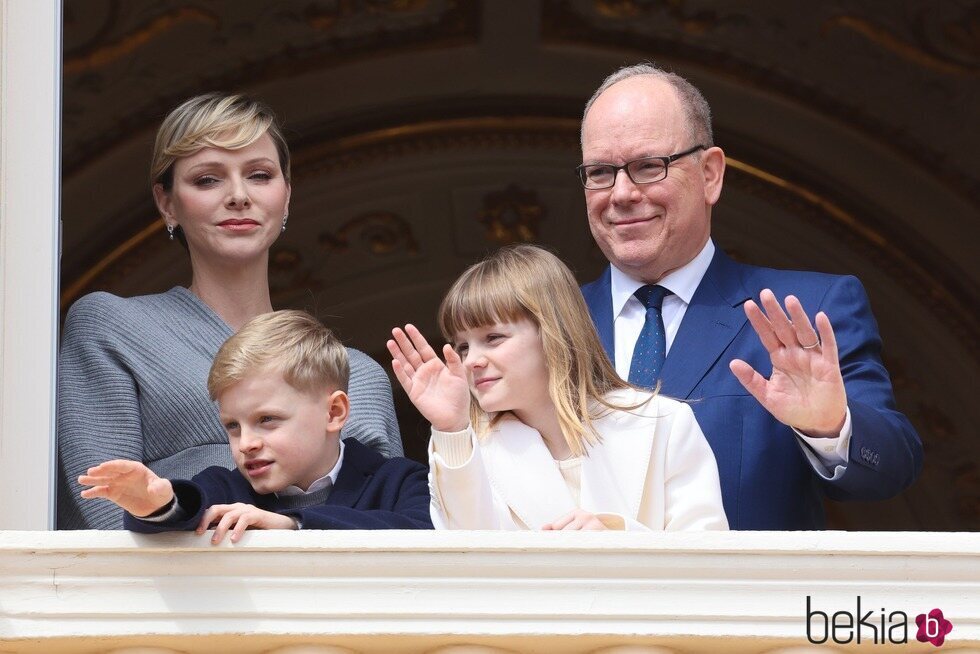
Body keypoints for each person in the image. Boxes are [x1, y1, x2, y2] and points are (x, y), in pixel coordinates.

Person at [577, 63, 923, 529]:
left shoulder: (802, 311)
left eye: (647, 167)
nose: (620, 193)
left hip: (737, 600)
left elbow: (892, 468)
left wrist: (830, 426)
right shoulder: (541, 325)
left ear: (710, 175)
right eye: (600, 172)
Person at [59, 93, 403, 530]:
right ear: (167, 203)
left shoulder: (359, 376)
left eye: (260, 175)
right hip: (167, 593)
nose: (239, 196)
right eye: (207, 180)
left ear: (287, 196)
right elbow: (108, 511)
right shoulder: (112, 328)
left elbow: (392, 537)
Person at [387, 244, 728, 531]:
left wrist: (619, 540)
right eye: (463, 347)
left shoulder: (665, 423)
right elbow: (468, 557)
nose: (472, 360)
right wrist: (452, 430)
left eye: (493, 338)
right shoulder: (464, 448)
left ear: (554, 332)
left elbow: (708, 565)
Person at [78, 310, 432, 542]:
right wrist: (158, 503)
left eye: (267, 420)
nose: (246, 443)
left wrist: (294, 524)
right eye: (233, 426)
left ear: (334, 412)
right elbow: (183, 514)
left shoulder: (400, 481)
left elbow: (423, 534)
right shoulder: (225, 485)